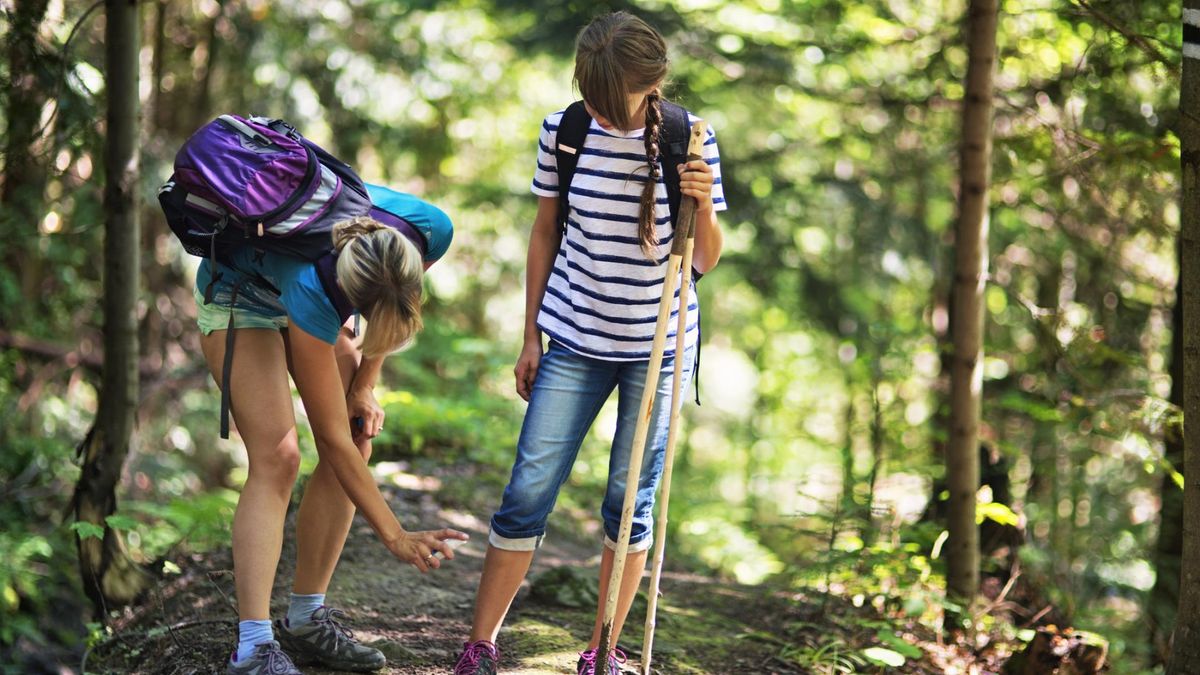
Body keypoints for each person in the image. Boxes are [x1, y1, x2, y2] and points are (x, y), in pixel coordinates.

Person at [452, 11, 726, 675]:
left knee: (629, 503)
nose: (604, 107)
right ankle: (480, 644)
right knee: (527, 489)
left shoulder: (691, 139)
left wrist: (705, 203)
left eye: (617, 95)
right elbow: (544, 231)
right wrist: (530, 336)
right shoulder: (565, 130)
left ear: (649, 82)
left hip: (658, 344)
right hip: (574, 335)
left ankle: (603, 649)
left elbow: (705, 260)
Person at [193, 189, 470, 675]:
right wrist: (395, 535)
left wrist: (365, 384)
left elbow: (391, 307)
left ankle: (305, 617)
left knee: (359, 429)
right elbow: (331, 441)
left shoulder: (427, 230)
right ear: (349, 295)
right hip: (242, 295)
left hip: (328, 290)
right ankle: (253, 647)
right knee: (280, 457)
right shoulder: (312, 289)